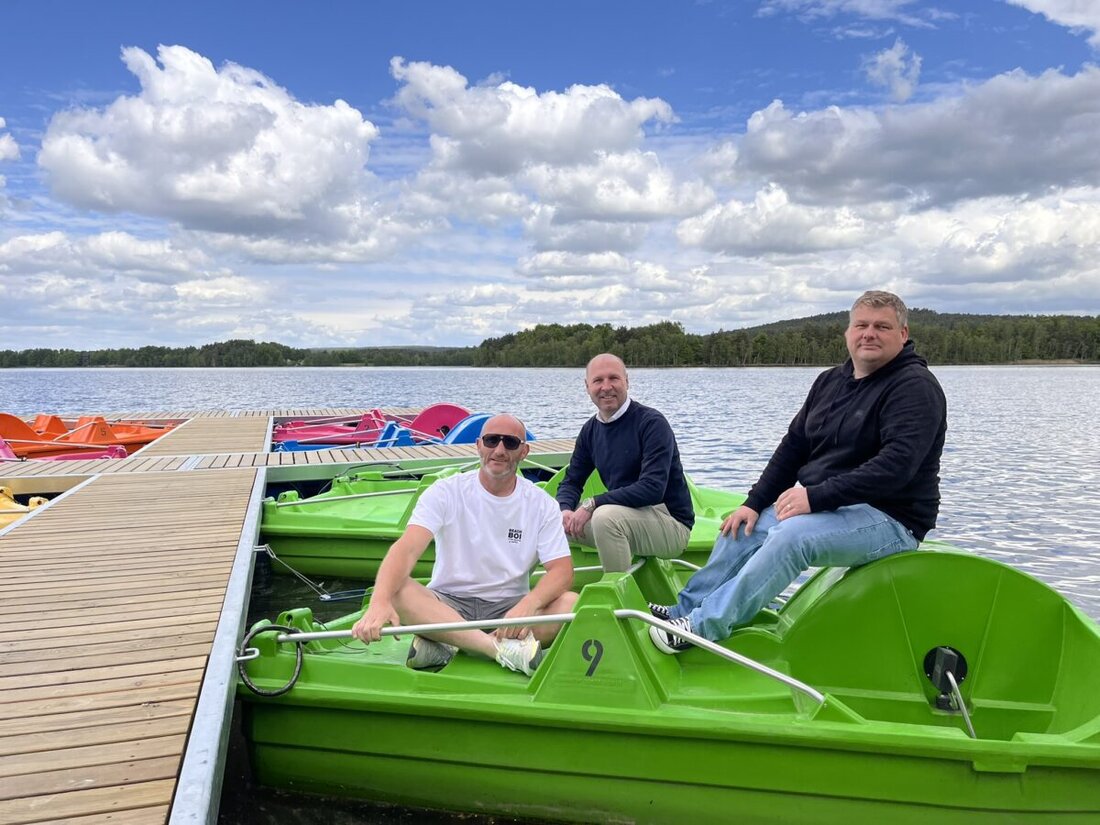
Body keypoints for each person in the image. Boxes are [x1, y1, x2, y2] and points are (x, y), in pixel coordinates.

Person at [649, 290, 947, 653]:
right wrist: (754, 502)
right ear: (848, 333)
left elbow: (896, 467)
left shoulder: (915, 387)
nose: (869, 333)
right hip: (833, 506)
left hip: (891, 517)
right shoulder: (829, 382)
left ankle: (699, 628)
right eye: (861, 325)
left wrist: (815, 497)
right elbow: (793, 447)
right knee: (738, 528)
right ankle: (682, 611)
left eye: (882, 326)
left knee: (792, 537)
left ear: (902, 334)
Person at [351, 413, 576, 676]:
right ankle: (496, 649)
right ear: (479, 445)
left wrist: (529, 604)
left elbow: (562, 570)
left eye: (510, 443)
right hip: (447, 604)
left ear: (524, 451)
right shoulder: (446, 491)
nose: (499, 450)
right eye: (492, 440)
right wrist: (379, 602)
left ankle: (449, 643)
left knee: (571, 603)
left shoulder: (541, 504)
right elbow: (407, 548)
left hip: (509, 609)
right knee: (396, 590)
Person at [556, 353, 694, 572]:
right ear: (587, 386)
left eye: (614, 378)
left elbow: (652, 489)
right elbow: (572, 481)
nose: (606, 387)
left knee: (605, 517)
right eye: (598, 380)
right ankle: (525, 594)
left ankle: (615, 593)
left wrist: (592, 503)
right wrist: (563, 510)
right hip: (622, 516)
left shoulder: (651, 423)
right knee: (548, 519)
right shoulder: (591, 430)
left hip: (670, 523)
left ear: (626, 381)